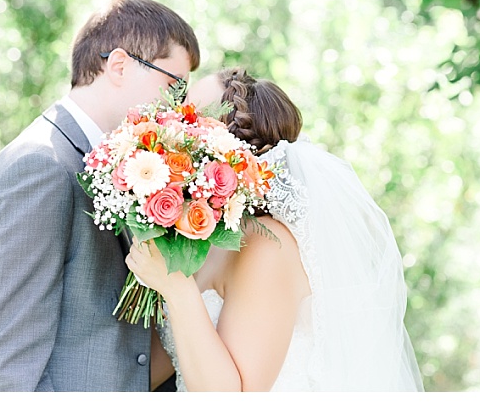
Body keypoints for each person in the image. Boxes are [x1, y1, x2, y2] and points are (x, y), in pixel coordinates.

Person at [126, 67, 424, 391]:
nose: (174, 125)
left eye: (191, 122)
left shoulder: (269, 248)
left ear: (224, 155)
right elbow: (164, 363)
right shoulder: (202, 242)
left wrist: (175, 287)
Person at [0, 0, 200, 391]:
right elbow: (5, 374)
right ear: (120, 65)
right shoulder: (39, 166)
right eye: (174, 87)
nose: (177, 108)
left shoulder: (96, 163)